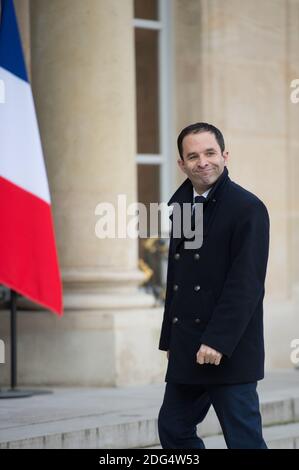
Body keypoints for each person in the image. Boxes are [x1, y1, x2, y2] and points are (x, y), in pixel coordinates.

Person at [157, 122, 270, 449]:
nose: (202, 162)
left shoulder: (248, 208)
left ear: (225, 155)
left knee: (244, 441)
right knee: (173, 430)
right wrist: (170, 339)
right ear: (182, 164)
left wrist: (217, 341)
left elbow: (246, 283)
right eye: (193, 156)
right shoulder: (180, 206)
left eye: (209, 153)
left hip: (228, 349)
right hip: (188, 348)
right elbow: (177, 279)